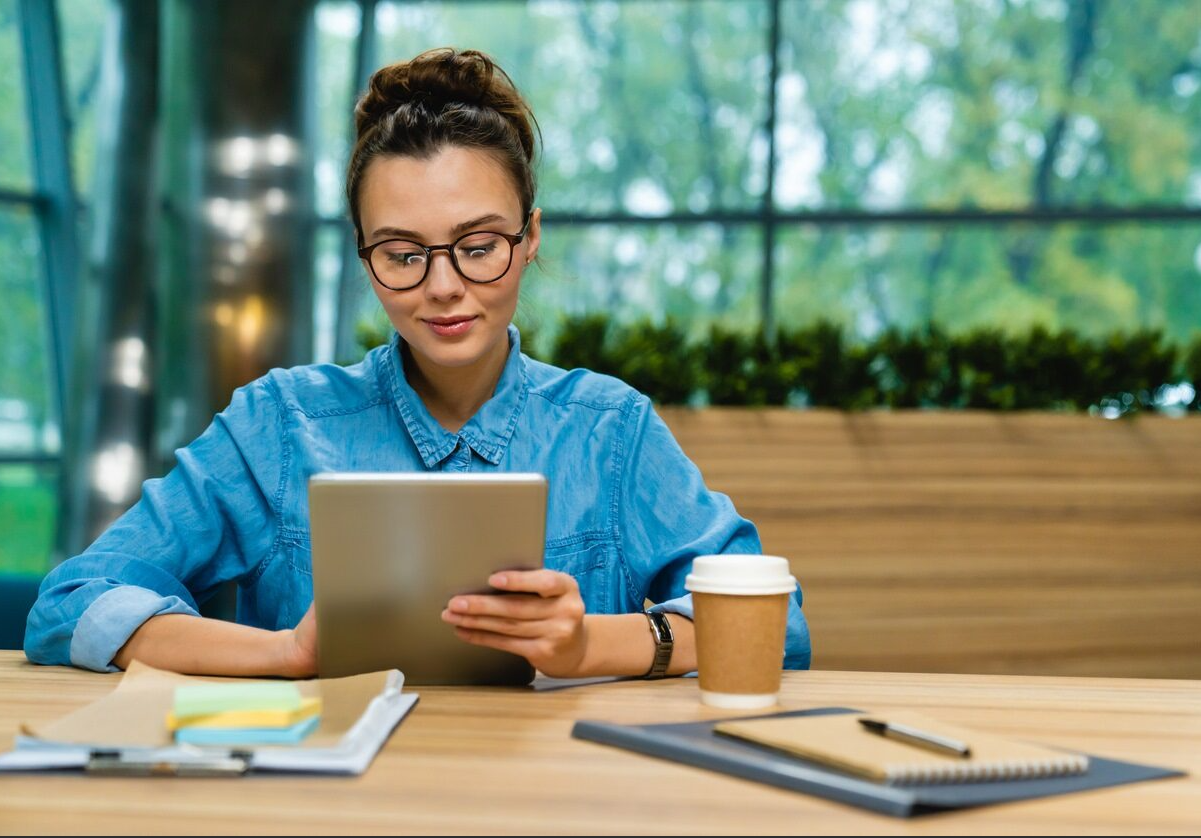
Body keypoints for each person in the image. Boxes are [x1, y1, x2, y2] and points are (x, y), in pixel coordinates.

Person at [25, 47, 811, 679]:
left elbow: (776, 624)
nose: (443, 288)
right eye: (402, 254)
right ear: (366, 258)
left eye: (478, 247)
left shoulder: (610, 429)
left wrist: (589, 646)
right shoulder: (277, 423)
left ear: (529, 236)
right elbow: (69, 602)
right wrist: (285, 654)